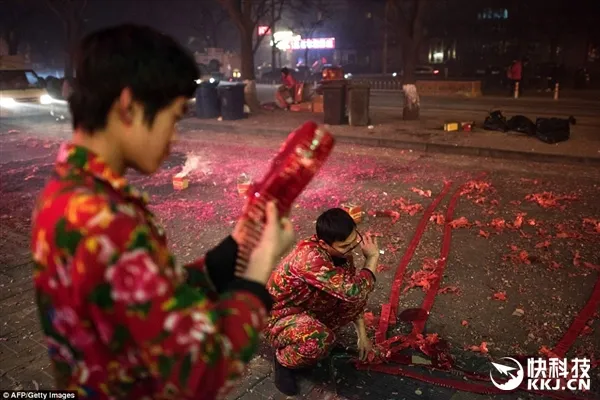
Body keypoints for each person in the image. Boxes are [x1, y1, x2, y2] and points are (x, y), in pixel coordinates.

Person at [30, 24, 295, 400]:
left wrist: (236, 248)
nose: (174, 140)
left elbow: (155, 295)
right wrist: (260, 268)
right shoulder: (102, 219)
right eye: (173, 118)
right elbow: (200, 372)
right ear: (129, 107)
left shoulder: (69, 191)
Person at [264, 208, 380, 395]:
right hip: (277, 318)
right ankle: (284, 360)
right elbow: (354, 291)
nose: (351, 249)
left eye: (354, 241)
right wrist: (372, 258)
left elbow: (354, 296)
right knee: (319, 340)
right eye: (345, 246)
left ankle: (312, 336)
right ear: (324, 244)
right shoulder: (310, 259)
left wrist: (362, 336)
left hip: (306, 308)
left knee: (355, 290)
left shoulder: (340, 255)